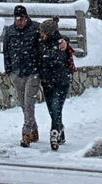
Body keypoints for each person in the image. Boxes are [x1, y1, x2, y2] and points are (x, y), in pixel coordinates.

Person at [2, 4, 41, 147]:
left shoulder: (36, 28)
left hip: (33, 72)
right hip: (16, 73)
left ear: (26, 18)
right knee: (23, 104)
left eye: (21, 18)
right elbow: (6, 52)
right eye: (17, 18)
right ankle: (34, 130)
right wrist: (9, 71)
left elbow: (52, 36)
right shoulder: (10, 31)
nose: (19, 21)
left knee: (29, 102)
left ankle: (26, 133)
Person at [36, 17, 75, 150]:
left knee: (55, 107)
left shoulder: (58, 45)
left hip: (60, 82)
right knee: (53, 110)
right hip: (47, 82)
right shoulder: (43, 42)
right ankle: (60, 129)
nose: (41, 35)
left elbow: (52, 61)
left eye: (43, 33)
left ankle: (54, 132)